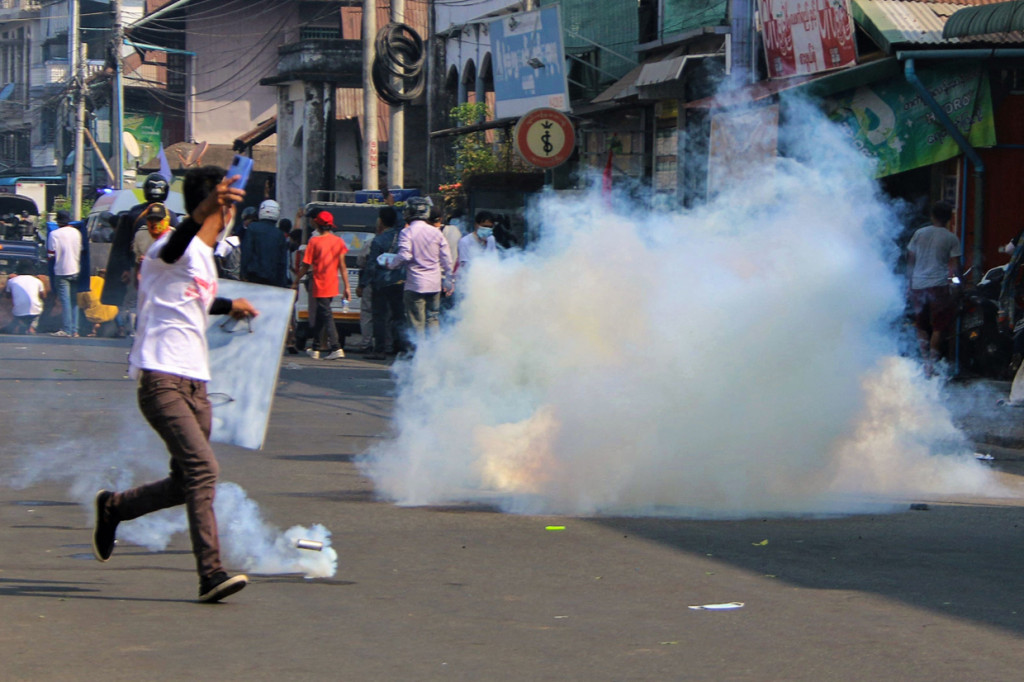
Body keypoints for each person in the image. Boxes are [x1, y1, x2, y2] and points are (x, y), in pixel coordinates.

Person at [92, 165, 258, 603]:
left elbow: (189, 300)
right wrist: (206, 206)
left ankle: (115, 507)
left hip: (196, 384)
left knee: (186, 482)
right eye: (227, 205)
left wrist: (228, 305)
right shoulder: (171, 245)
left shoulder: (204, 259)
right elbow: (175, 248)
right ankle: (211, 574)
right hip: (161, 379)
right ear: (218, 207)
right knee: (205, 471)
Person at [102, 172, 178, 307]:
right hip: (163, 273)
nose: (154, 224)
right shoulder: (172, 217)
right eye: (151, 220)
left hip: (139, 271)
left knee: (135, 305)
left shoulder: (133, 215)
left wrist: (125, 269)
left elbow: (123, 247)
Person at [386, 197, 453, 343]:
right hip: (434, 284)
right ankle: (433, 354)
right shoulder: (436, 232)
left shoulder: (407, 232)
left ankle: (419, 357)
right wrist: (449, 279)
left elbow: (404, 255)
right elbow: (447, 259)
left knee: (417, 322)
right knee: (433, 318)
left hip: (415, 284)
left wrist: (391, 264)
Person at [907, 201, 961, 375]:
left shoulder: (919, 233)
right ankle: (932, 362)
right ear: (949, 217)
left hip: (918, 284)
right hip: (938, 285)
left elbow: (910, 258)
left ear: (932, 215)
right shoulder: (951, 238)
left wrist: (910, 280)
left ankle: (924, 362)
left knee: (921, 324)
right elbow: (953, 266)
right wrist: (954, 283)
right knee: (938, 326)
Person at [293, 210, 349, 360]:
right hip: (332, 282)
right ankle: (316, 347)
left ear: (317, 224)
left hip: (319, 282)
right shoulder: (338, 241)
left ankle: (336, 347)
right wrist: (347, 287)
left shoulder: (314, 242)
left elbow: (305, 265)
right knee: (321, 314)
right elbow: (342, 266)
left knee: (326, 314)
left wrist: (296, 280)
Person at [364, 206, 406, 359]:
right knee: (399, 316)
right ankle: (401, 348)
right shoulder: (402, 237)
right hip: (399, 281)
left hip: (381, 282)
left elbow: (371, 265)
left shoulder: (378, 240)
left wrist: (363, 284)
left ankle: (380, 349)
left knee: (380, 317)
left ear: (381, 221)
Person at [47, 209, 82, 338]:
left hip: (62, 271)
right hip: (76, 269)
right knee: (74, 301)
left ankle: (67, 329)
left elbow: (50, 254)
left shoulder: (54, 234)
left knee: (65, 301)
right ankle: (75, 330)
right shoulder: (77, 233)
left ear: (58, 222)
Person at [240, 200, 289, 286]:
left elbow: (247, 252)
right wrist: (282, 283)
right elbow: (282, 262)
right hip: (272, 279)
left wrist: (243, 273)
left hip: (253, 276)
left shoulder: (252, 228)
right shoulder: (279, 234)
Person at [3, 262, 46, 334]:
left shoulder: (12, 281)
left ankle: (21, 324)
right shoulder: (37, 281)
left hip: (18, 312)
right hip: (35, 311)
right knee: (39, 306)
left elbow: (7, 296)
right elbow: (44, 296)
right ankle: (32, 327)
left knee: (17, 308)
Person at [456, 210, 498, 281]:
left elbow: (493, 259)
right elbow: (465, 266)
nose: (487, 229)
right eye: (484, 226)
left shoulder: (491, 239)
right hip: (469, 281)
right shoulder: (465, 242)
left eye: (490, 227)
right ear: (476, 225)